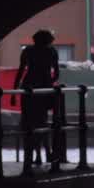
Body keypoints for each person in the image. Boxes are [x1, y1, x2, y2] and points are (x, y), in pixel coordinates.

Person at [14, 29, 61, 168]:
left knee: (28, 122)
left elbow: (21, 70)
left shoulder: (27, 51)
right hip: (44, 89)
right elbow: (56, 73)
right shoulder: (52, 52)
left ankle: (35, 156)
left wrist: (14, 91)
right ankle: (47, 153)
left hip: (28, 88)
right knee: (42, 121)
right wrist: (48, 82)